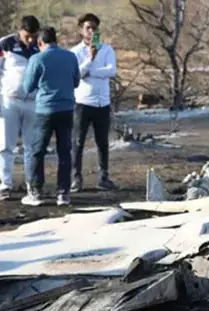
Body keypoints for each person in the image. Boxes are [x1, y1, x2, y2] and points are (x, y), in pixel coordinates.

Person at [0, 15, 41, 201]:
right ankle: (5, 185)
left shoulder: (40, 46)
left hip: (34, 101)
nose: (30, 40)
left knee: (32, 146)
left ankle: (31, 184)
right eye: (27, 36)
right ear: (19, 31)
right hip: (9, 101)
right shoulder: (4, 44)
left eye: (33, 35)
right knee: (5, 146)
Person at [21, 27, 80, 206]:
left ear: (40, 42)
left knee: (37, 151)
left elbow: (28, 86)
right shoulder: (70, 57)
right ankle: (63, 193)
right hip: (66, 109)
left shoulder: (37, 58)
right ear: (56, 40)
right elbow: (76, 82)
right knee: (64, 151)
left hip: (45, 110)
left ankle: (36, 192)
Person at [70, 13, 118, 192]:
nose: (91, 31)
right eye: (87, 28)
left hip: (102, 102)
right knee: (78, 142)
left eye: (94, 28)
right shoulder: (76, 52)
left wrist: (92, 70)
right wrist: (90, 59)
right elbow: (78, 74)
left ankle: (104, 177)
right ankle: (76, 178)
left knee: (102, 142)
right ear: (81, 30)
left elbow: (111, 71)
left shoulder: (107, 49)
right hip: (82, 102)